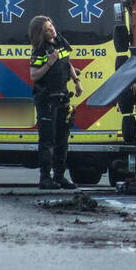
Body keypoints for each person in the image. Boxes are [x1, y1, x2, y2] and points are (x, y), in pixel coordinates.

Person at [28, 15, 83, 190]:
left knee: (62, 140)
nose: (51, 29)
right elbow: (34, 75)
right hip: (47, 100)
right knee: (47, 141)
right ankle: (45, 178)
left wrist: (76, 82)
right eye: (46, 29)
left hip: (62, 98)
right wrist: (49, 63)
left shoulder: (60, 44)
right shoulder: (39, 51)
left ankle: (60, 177)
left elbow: (68, 63)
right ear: (39, 33)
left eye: (51, 25)